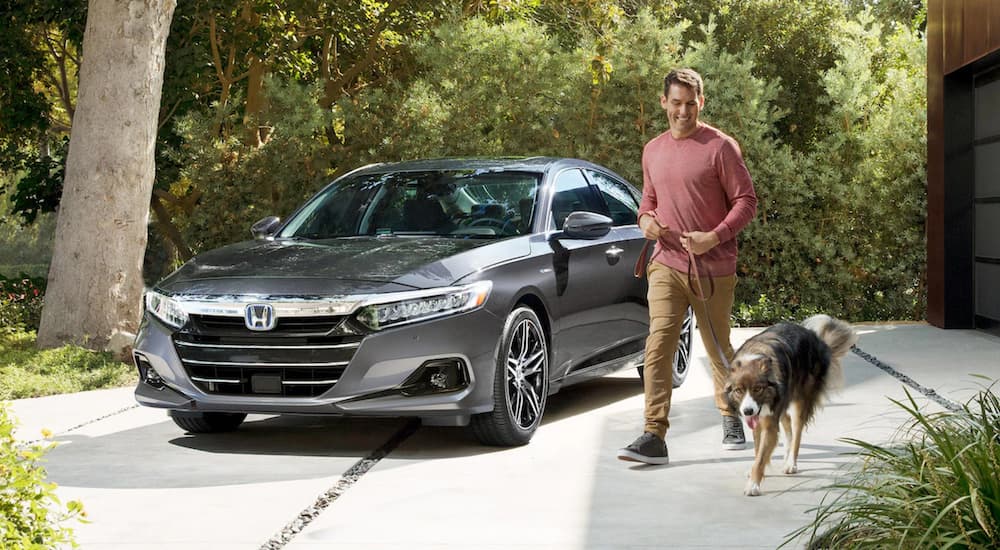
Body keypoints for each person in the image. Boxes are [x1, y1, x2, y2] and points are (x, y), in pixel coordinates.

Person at [617, 68, 758, 465]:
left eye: (690, 104)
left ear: (702, 102)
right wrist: (645, 221)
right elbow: (648, 202)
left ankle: (730, 413)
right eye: (675, 103)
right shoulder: (652, 150)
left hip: (712, 266)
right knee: (658, 342)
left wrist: (714, 236)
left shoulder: (720, 148)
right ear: (663, 102)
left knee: (716, 348)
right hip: (665, 262)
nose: (683, 111)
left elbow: (746, 201)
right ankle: (653, 435)